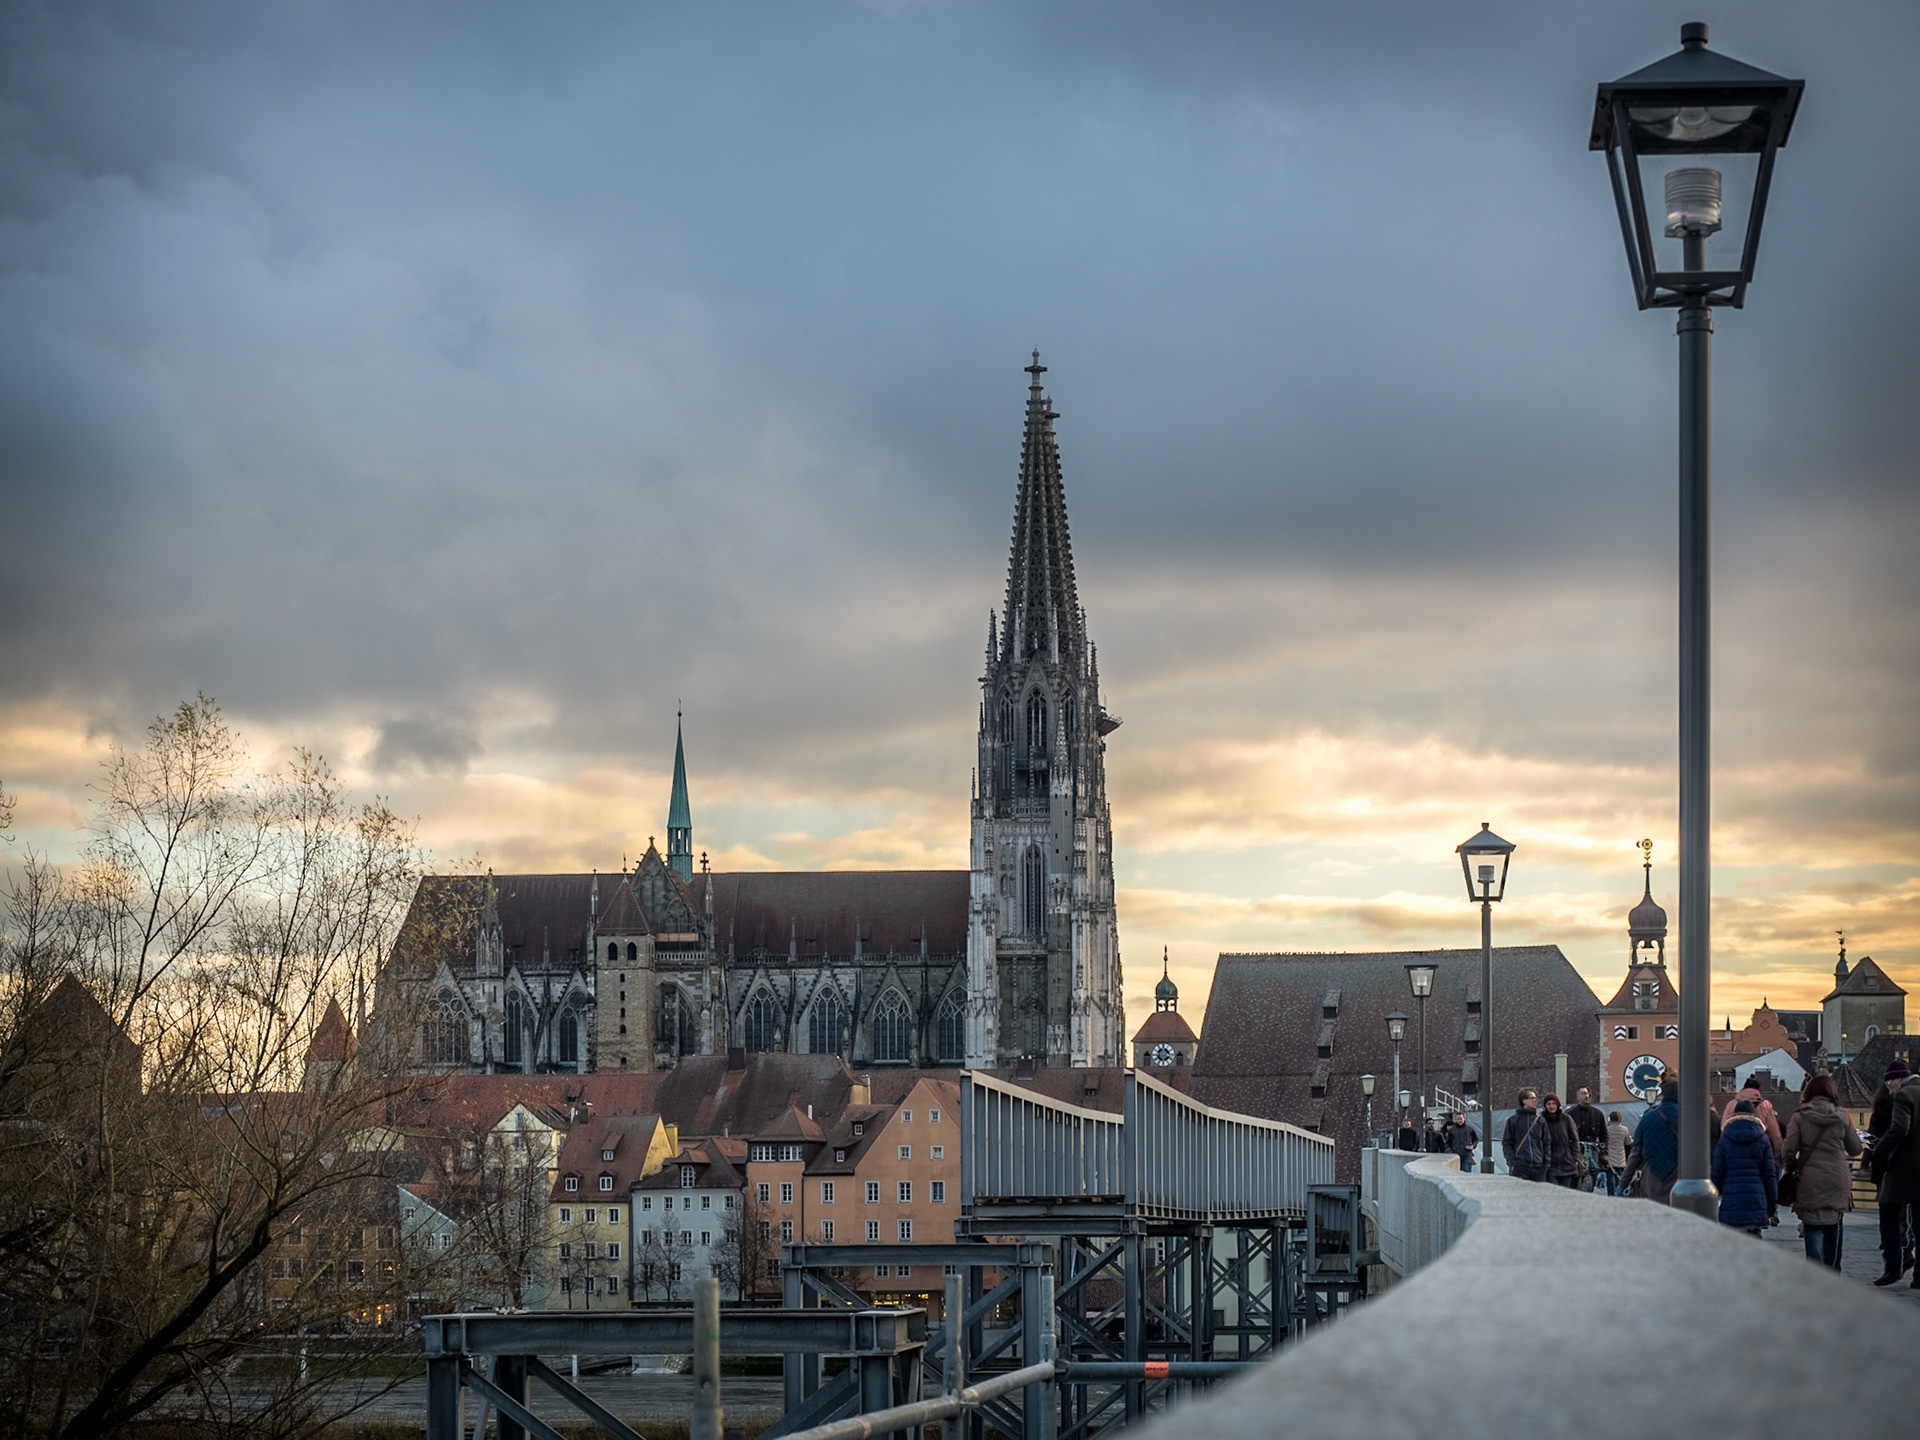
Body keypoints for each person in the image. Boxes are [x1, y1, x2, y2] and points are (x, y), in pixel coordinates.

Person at [1778, 1072, 1861, 1268]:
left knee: (1813, 1227)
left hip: (1809, 1178)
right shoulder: (1843, 1116)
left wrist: (1792, 1167)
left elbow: (1788, 1150)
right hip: (1837, 1178)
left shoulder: (1800, 1116)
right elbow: (1856, 1149)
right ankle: (1833, 1272)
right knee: (1834, 1224)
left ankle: (1816, 1275)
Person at [1867, 1059, 1916, 1286]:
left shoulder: (1904, 1095)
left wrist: (1879, 1151)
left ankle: (1893, 1267)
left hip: (1903, 1168)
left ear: (1897, 1079)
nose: (1888, 1088)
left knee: (1888, 1215)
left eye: (1889, 1083)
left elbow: (1899, 1129)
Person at [1711, 1098, 1778, 1236]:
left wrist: (1714, 1197)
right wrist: (1771, 1205)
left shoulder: (1725, 1139)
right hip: (1756, 1200)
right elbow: (1770, 1174)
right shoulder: (1762, 1139)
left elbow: (1717, 1172)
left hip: (1731, 1201)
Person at [1632, 1076, 1683, 1204]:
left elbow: (1636, 1153)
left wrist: (1623, 1183)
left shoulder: (1649, 1117)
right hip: (1680, 1177)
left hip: (1652, 1179)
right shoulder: (1689, 1116)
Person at [1720, 1077, 1783, 1159]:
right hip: (1759, 1150)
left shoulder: (1731, 1104)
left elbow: (1723, 1129)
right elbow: (1775, 1133)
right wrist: (1778, 1153)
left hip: (1734, 1150)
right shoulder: (1764, 1105)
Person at [1537, 1093, 1582, 1188]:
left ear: (1557, 1105)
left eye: (1553, 1103)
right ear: (1545, 1106)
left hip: (1567, 1162)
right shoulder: (1541, 1121)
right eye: (1549, 1104)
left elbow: (1574, 1139)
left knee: (1565, 1192)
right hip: (1550, 1163)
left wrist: (1575, 1158)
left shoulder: (1566, 1119)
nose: (1551, 1106)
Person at [1568, 1088, 1609, 1192]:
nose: (1587, 1096)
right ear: (1578, 1096)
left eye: (1588, 1094)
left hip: (1592, 1152)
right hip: (1576, 1151)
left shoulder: (1597, 1114)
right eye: (1583, 1093)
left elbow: (1604, 1135)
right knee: (1576, 1177)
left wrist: (1604, 1152)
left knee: (1591, 1178)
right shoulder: (1570, 1114)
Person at [1502, 1089, 1547, 1182]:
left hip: (1538, 1166)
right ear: (1524, 1101)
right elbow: (1507, 1143)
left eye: (1535, 1098)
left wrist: (1545, 1163)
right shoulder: (1513, 1120)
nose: (1535, 1101)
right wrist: (1513, 1162)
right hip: (1521, 1166)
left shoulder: (1540, 1121)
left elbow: (1546, 1142)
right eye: (1532, 1098)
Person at [1604, 1110, 1631, 1197]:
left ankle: (1611, 1194)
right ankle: (1619, 1193)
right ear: (1620, 1119)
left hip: (1610, 1158)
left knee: (1610, 1177)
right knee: (1620, 1177)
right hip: (1621, 1158)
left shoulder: (1606, 1129)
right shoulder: (1624, 1129)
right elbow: (1628, 1143)